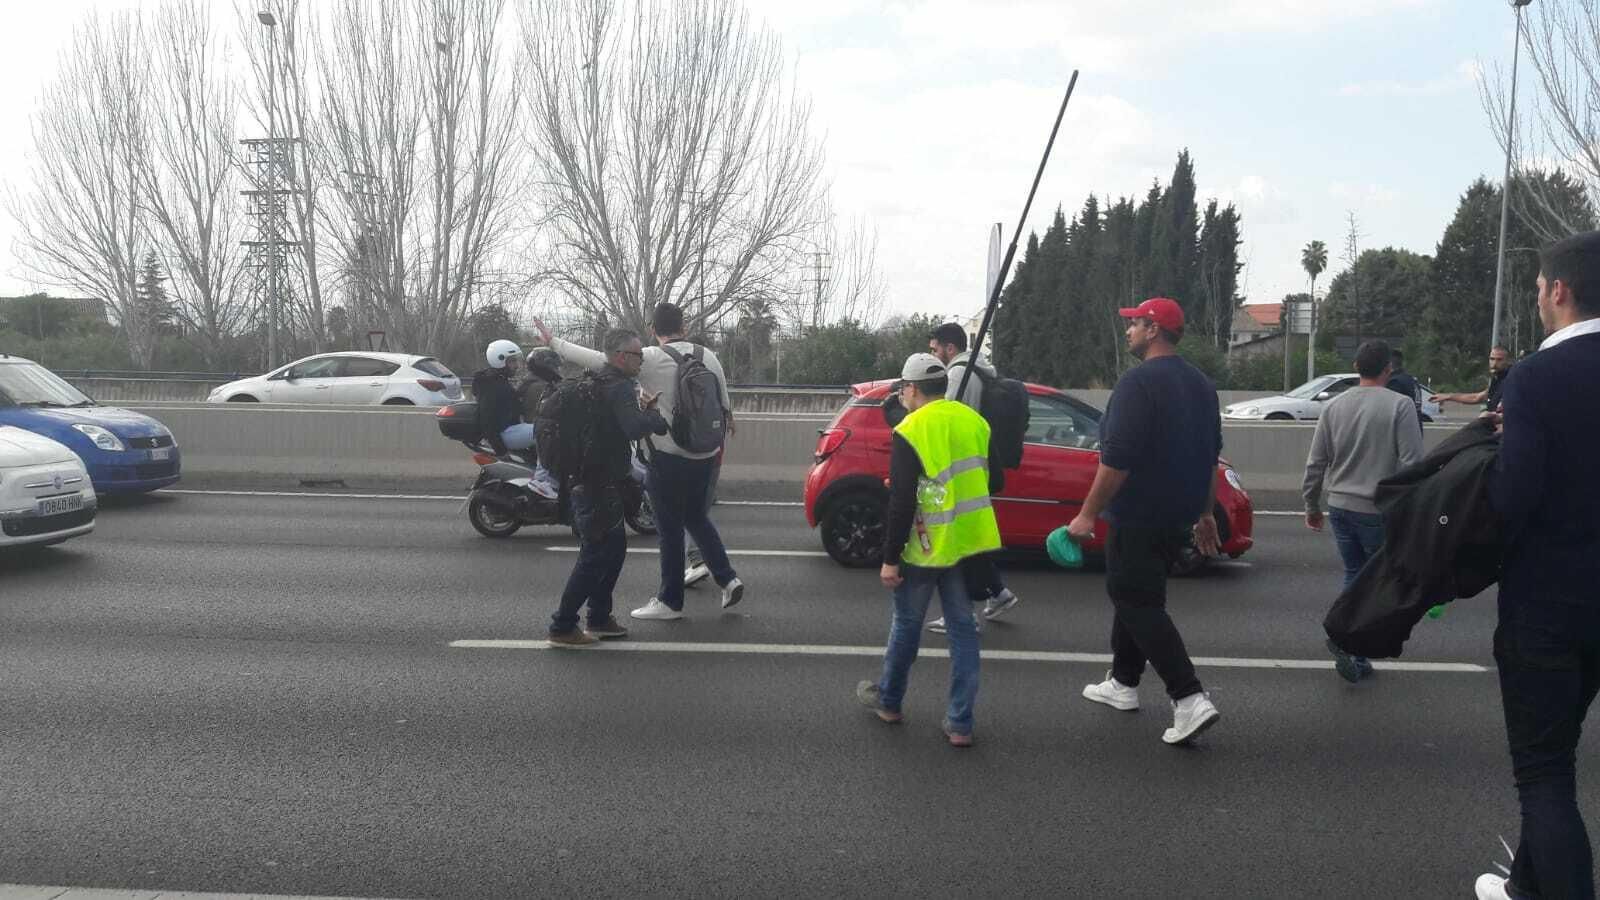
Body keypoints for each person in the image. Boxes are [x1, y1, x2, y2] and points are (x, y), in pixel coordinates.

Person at [1474, 231, 1600, 900]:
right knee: (1557, 750)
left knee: (1545, 776)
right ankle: (1526, 885)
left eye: (1538, 290)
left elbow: (1513, 499)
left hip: (1550, 609)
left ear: (1559, 291)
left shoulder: (1536, 376)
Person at [1067, 297, 1222, 746]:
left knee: (1135, 600)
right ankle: (1123, 682)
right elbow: (1209, 454)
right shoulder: (1200, 384)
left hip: (1138, 513)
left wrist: (1087, 514)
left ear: (1154, 329)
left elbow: (1117, 460)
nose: (1128, 330)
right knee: (1137, 594)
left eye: (1134, 323)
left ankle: (1189, 697)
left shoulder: (1137, 383)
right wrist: (1206, 512)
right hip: (1176, 515)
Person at [536, 304, 745, 621]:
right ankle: (728, 578)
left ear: (652, 329)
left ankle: (669, 601)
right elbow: (724, 402)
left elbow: (600, 359)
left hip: (669, 458)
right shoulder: (707, 356)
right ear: (683, 327)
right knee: (697, 517)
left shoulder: (650, 358)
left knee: (670, 529)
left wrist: (554, 342)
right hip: (706, 453)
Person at [855, 352, 1001, 747]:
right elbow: (994, 478)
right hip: (966, 543)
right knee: (963, 631)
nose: (902, 393)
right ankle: (960, 723)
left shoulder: (911, 428)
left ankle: (889, 702)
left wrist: (889, 559)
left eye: (903, 387)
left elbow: (902, 502)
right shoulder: (975, 421)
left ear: (913, 388)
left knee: (906, 626)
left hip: (923, 547)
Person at [1302, 339, 1424, 683]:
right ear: (1389, 369)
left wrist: (1311, 505)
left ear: (1356, 367)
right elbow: (1412, 464)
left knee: (1355, 575)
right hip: (1378, 511)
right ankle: (1348, 640)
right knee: (1378, 584)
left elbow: (1316, 463)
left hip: (1340, 507)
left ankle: (1355, 650)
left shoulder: (1334, 407)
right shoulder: (1400, 406)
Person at [546, 329, 669, 648]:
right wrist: (654, 417)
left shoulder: (600, 382)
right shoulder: (618, 387)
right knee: (595, 555)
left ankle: (599, 617)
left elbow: (617, 426)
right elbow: (633, 427)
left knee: (613, 551)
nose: (640, 360)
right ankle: (562, 625)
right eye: (636, 355)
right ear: (619, 356)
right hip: (596, 485)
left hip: (597, 480)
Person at [923, 321, 1020, 634]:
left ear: (950, 348)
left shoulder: (958, 373)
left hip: (959, 469)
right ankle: (998, 594)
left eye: (935, 349)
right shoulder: (980, 370)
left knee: (955, 540)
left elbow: (944, 417)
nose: (934, 355)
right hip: (976, 466)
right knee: (967, 538)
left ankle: (961, 613)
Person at [474, 339, 557, 497]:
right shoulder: (492, 386)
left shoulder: (497, 381)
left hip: (510, 429)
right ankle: (541, 481)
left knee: (545, 427)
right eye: (512, 362)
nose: (516, 365)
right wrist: (500, 449)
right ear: (499, 361)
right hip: (505, 433)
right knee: (546, 431)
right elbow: (487, 420)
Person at [1431, 345, 1513, 413]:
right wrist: (1448, 396)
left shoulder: (1512, 379)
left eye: (1499, 360)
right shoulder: (1497, 379)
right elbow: (1477, 397)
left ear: (1508, 361)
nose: (1494, 363)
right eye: (1492, 359)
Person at [1384, 349, 1423, 424]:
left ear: (1389, 364)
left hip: (1402, 429)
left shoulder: (1395, 382)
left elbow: (1389, 411)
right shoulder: (1411, 379)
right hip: (1416, 427)